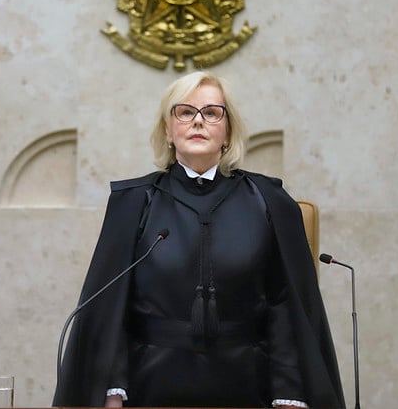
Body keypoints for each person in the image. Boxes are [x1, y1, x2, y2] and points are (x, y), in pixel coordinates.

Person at [53, 72, 345, 408]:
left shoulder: (269, 202)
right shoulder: (135, 202)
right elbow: (113, 308)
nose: (198, 122)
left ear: (228, 131)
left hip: (248, 388)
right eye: (185, 112)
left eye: (211, 113)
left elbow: (285, 306)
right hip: (150, 388)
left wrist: (289, 395)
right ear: (168, 130)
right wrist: (112, 390)